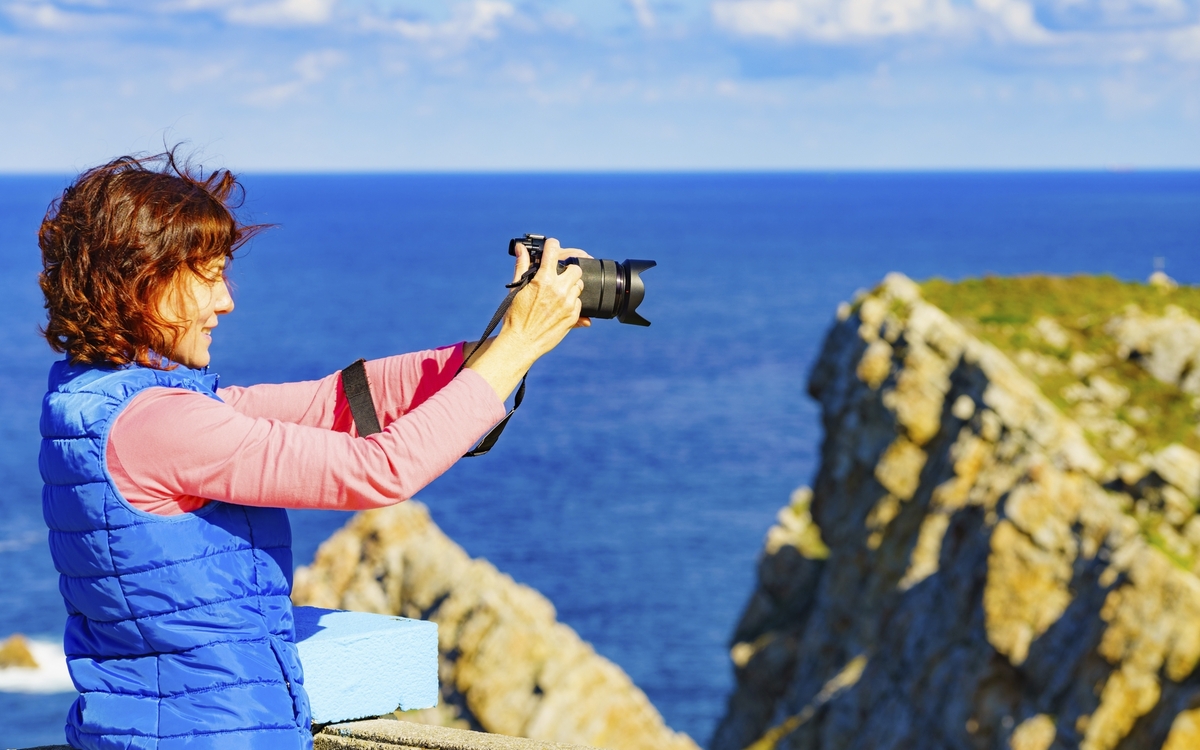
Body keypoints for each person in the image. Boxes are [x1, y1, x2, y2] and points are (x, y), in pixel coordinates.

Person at [37, 152, 588, 749]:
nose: (226, 301)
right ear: (142, 280)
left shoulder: (108, 404)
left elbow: (339, 403)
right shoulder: (160, 426)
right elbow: (378, 472)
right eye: (209, 275)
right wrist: (515, 349)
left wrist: (505, 338)